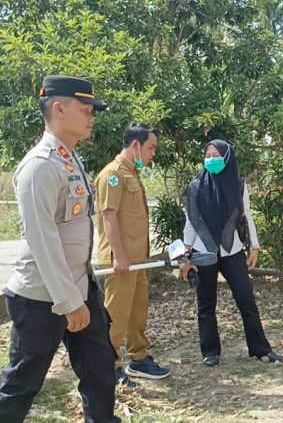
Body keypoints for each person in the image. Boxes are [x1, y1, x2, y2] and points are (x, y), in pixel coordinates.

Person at [0, 76, 119, 423]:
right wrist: (69, 303)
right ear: (58, 109)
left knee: (100, 372)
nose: (91, 117)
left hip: (81, 287)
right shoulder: (40, 165)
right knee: (22, 384)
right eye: (85, 109)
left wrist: (80, 297)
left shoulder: (69, 158)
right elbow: (43, 240)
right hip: (42, 298)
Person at [181, 140, 283, 367]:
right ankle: (210, 352)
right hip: (203, 251)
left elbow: (247, 215)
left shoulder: (238, 185)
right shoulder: (196, 186)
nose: (211, 159)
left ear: (227, 157)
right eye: (208, 155)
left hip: (233, 250)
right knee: (206, 303)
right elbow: (191, 221)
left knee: (246, 300)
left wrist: (255, 246)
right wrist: (186, 256)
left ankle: (261, 349)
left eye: (216, 154)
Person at [95, 123, 170, 382]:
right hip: (121, 262)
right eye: (151, 148)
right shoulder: (112, 175)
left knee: (137, 313)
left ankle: (139, 358)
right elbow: (109, 216)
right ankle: (107, 366)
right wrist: (119, 256)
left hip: (138, 260)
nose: (153, 154)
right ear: (136, 145)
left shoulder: (131, 173)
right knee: (116, 316)